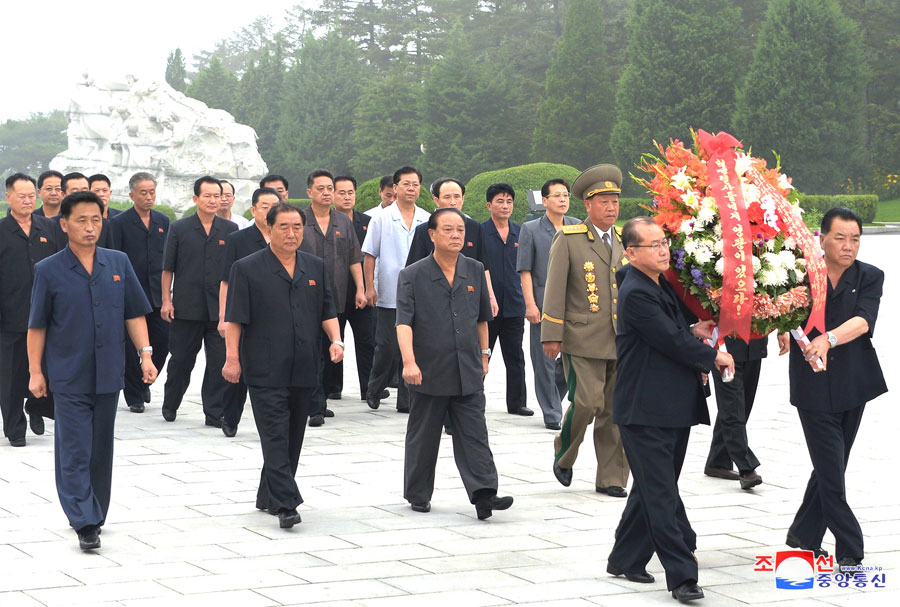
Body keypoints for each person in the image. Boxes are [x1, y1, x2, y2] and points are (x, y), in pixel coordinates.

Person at [606, 216, 732, 601]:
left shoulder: (658, 283)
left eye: (664, 243)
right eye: (654, 245)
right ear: (631, 253)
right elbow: (669, 341)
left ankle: (626, 558)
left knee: (654, 487)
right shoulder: (636, 292)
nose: (663, 251)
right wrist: (713, 356)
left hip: (670, 405)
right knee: (660, 493)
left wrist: (694, 330)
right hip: (644, 409)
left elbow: (672, 332)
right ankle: (682, 577)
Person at [27, 191, 156, 551]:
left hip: (108, 372)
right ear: (64, 224)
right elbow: (37, 326)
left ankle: (95, 512)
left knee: (100, 449)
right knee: (74, 448)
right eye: (81, 220)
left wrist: (145, 355)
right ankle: (83, 519)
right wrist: (36, 372)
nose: (89, 227)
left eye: (96, 220)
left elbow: (134, 313)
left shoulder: (117, 263)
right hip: (68, 374)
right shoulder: (48, 270)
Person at [777, 207, 887, 573]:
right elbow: (782, 310)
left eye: (855, 239)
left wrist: (829, 338)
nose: (848, 246)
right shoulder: (799, 274)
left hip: (854, 383)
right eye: (840, 238)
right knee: (830, 466)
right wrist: (781, 327)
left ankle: (804, 535)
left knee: (833, 464)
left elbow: (864, 320)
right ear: (821, 238)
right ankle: (850, 546)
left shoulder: (870, 275)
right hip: (812, 381)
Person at [222, 202, 342, 529]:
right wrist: (232, 359)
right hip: (264, 368)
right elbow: (234, 318)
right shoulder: (246, 268)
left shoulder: (314, 266)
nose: (291, 234)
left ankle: (268, 495)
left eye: (297, 227)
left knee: (292, 437)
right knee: (274, 435)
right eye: (284, 227)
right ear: (269, 229)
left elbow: (327, 310)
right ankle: (287, 503)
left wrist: (336, 340)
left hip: (305, 365)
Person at [398, 207, 514, 519]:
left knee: (475, 434)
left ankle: (484, 494)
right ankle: (418, 493)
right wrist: (409, 362)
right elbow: (403, 323)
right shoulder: (413, 275)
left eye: (460, 230)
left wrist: (485, 355)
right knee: (424, 435)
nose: (456, 235)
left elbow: (481, 318)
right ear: (432, 234)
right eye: (448, 230)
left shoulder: (474, 269)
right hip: (429, 369)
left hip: (467, 368)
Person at [542, 165, 630, 497]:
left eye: (615, 202)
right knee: (587, 403)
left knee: (615, 411)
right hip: (582, 338)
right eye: (604, 202)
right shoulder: (570, 238)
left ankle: (612, 477)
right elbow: (555, 287)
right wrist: (551, 334)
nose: (611, 208)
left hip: (621, 340)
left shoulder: (625, 240)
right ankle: (564, 452)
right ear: (588, 205)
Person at [160, 176, 239, 427]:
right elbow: (167, 268)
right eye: (208, 196)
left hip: (219, 310)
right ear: (196, 198)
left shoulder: (230, 229)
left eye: (217, 196)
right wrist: (166, 301)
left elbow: (234, 271)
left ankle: (214, 412)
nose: (213, 200)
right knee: (181, 360)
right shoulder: (179, 228)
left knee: (217, 362)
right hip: (187, 307)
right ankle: (171, 402)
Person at [299, 169, 366, 426]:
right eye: (321, 189)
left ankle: (320, 400)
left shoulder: (343, 222)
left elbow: (354, 258)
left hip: (336, 295)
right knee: (313, 352)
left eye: (330, 188)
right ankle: (314, 406)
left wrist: (360, 288)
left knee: (329, 351)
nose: (326, 193)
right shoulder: (300, 220)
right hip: (305, 297)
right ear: (309, 192)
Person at [362, 166, 430, 412]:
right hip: (389, 291)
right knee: (387, 346)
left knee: (414, 346)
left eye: (415, 184)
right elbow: (369, 255)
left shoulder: (427, 218)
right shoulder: (381, 218)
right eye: (406, 184)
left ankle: (406, 400)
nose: (411, 189)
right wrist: (369, 287)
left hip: (420, 292)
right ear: (395, 187)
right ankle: (374, 388)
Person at [1, 174, 60, 446]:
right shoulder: (2, 231)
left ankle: (36, 407)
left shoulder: (49, 228)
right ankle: (15, 429)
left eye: (30, 196)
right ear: (8, 197)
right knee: (11, 377)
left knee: (48, 369)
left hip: (46, 315)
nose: (27, 201)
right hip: (10, 316)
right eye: (21, 196)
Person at [517, 179, 580, 430]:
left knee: (572, 358)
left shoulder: (577, 226)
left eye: (566, 195)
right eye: (557, 195)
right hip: (543, 304)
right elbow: (525, 270)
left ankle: (552, 398)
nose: (563, 199)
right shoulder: (531, 229)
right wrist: (530, 304)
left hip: (573, 304)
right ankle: (552, 412)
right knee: (544, 360)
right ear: (544, 201)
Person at [216, 187, 279, 436]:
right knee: (238, 366)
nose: (270, 212)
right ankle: (230, 417)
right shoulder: (238, 239)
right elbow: (225, 281)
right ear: (253, 210)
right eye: (265, 207)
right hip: (244, 314)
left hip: (276, 315)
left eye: (275, 207)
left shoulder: (288, 237)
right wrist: (223, 317)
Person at [109, 172, 171, 414]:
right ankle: (134, 394)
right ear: (132, 195)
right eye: (143, 193)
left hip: (157, 293)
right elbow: (114, 258)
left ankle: (146, 380)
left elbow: (168, 259)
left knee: (163, 340)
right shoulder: (119, 223)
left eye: (152, 192)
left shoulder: (162, 221)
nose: (148, 197)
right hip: (130, 293)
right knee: (130, 347)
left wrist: (167, 296)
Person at [481, 183, 530, 417]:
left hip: (514, 304)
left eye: (509, 201)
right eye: (500, 201)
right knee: (481, 354)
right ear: (489, 205)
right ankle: (472, 400)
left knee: (516, 356)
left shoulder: (521, 232)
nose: (505, 206)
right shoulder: (480, 232)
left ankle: (517, 403)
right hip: (486, 307)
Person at [332, 175, 381, 403]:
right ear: (333, 195)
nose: (346, 197)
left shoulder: (368, 222)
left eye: (350, 192)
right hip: (335, 290)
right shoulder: (327, 221)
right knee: (334, 338)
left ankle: (368, 387)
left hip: (363, 290)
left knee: (367, 340)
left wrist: (369, 287)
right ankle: (333, 386)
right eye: (341, 192)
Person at [703, 334, 766, 489]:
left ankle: (718, 461)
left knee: (741, 406)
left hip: (755, 343)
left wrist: (781, 331)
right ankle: (746, 468)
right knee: (733, 407)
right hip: (724, 348)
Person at [53, 173, 117, 249]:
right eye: (75, 192)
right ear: (63, 195)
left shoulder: (104, 224)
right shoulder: (52, 225)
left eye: (84, 191)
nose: (80, 196)